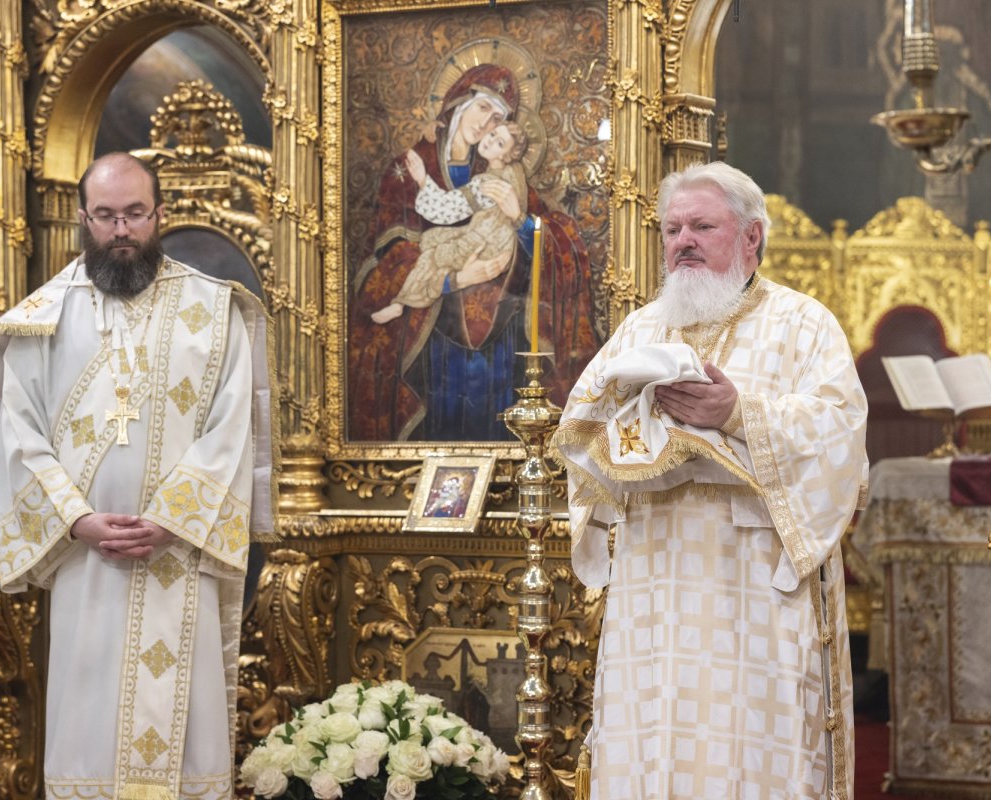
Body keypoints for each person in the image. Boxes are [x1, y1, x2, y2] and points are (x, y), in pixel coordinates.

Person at [0, 153, 277, 800]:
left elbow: (230, 431)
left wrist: (171, 519)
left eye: (135, 213)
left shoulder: (212, 311)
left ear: (159, 215)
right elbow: (18, 435)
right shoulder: (41, 320)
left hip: (179, 560)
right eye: (106, 216)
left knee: (186, 743)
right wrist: (76, 520)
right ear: (84, 219)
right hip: (87, 570)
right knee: (89, 741)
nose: (121, 230)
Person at [552, 162, 868, 799]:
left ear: (751, 237)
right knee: (653, 736)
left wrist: (738, 414)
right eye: (672, 229)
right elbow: (581, 429)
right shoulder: (642, 329)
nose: (682, 242)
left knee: (750, 753)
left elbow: (842, 433)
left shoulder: (804, 324)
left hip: (753, 582)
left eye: (701, 225)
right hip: (656, 582)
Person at [347, 62, 599, 441]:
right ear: (459, 103)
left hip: (500, 332)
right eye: (483, 108)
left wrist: (521, 221)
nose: (486, 125)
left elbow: (553, 234)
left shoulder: (498, 171)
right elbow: (385, 259)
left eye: (497, 118)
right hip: (435, 333)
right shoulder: (411, 168)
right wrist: (455, 279)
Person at [371, 122, 529, 324]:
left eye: (499, 143)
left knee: (431, 256)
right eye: (491, 133)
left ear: (504, 156)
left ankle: (401, 303)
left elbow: (446, 210)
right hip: (498, 241)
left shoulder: (485, 184)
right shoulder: (515, 172)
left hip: (485, 245)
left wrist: (422, 180)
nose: (489, 141)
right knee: (430, 238)